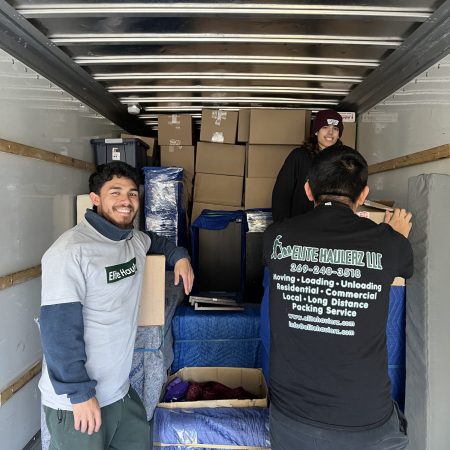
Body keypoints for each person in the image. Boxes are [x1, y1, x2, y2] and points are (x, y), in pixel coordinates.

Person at [263, 145, 413, 450]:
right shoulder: (388, 243)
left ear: (308, 190)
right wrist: (393, 233)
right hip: (366, 424)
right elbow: (404, 268)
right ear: (363, 194)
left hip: (291, 421)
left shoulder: (275, 237)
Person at [39, 161, 194, 450]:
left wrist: (180, 256)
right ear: (95, 199)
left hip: (119, 393)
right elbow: (58, 331)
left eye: (133, 194)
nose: (126, 201)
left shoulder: (132, 240)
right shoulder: (70, 252)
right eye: (116, 192)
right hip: (78, 403)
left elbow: (159, 243)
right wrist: (79, 394)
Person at [271, 109, 344, 222]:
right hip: (299, 226)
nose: (330, 132)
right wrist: (282, 227)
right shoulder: (299, 156)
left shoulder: (344, 161)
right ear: (316, 131)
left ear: (339, 134)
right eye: (325, 127)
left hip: (330, 226)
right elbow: (281, 194)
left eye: (335, 128)